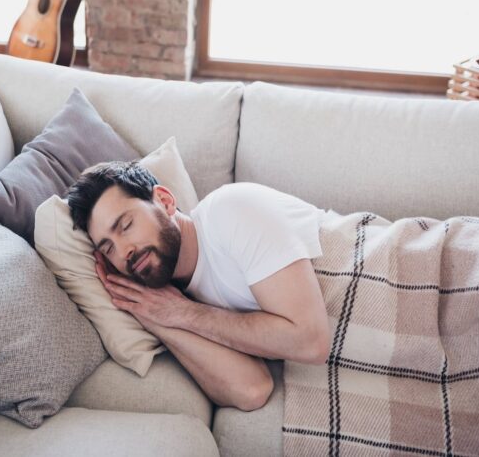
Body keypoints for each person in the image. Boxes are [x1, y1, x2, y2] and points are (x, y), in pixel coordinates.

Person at [66, 161, 331, 412]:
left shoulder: (228, 210)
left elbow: (312, 342)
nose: (125, 251)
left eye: (126, 225)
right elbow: (252, 390)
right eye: (109, 248)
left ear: (166, 201)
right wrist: (152, 314)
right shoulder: (182, 300)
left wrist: (184, 313)